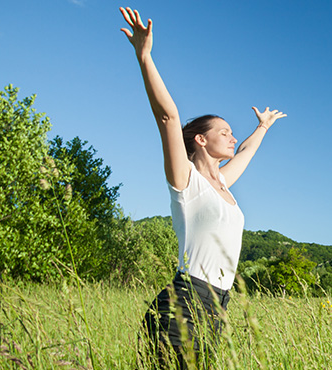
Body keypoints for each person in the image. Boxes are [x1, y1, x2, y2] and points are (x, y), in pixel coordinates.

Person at [119, 7, 286, 369]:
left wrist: (263, 127)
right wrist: (144, 56)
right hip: (185, 301)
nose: (232, 136)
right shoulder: (186, 181)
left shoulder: (222, 183)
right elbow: (168, 116)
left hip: (217, 306)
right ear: (200, 140)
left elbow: (244, 152)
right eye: (223, 131)